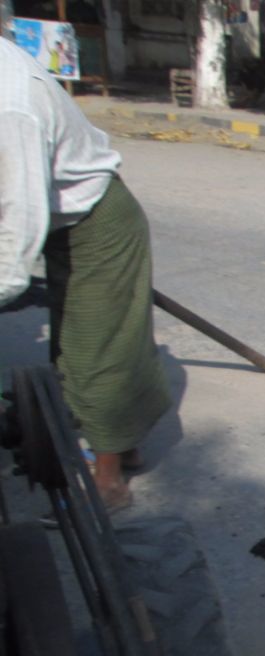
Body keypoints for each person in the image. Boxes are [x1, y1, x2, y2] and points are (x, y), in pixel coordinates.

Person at [0, 36, 170, 511]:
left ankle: (108, 481)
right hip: (62, 219)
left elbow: (17, 233)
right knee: (77, 346)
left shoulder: (10, 106)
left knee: (99, 351)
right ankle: (122, 444)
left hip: (96, 220)